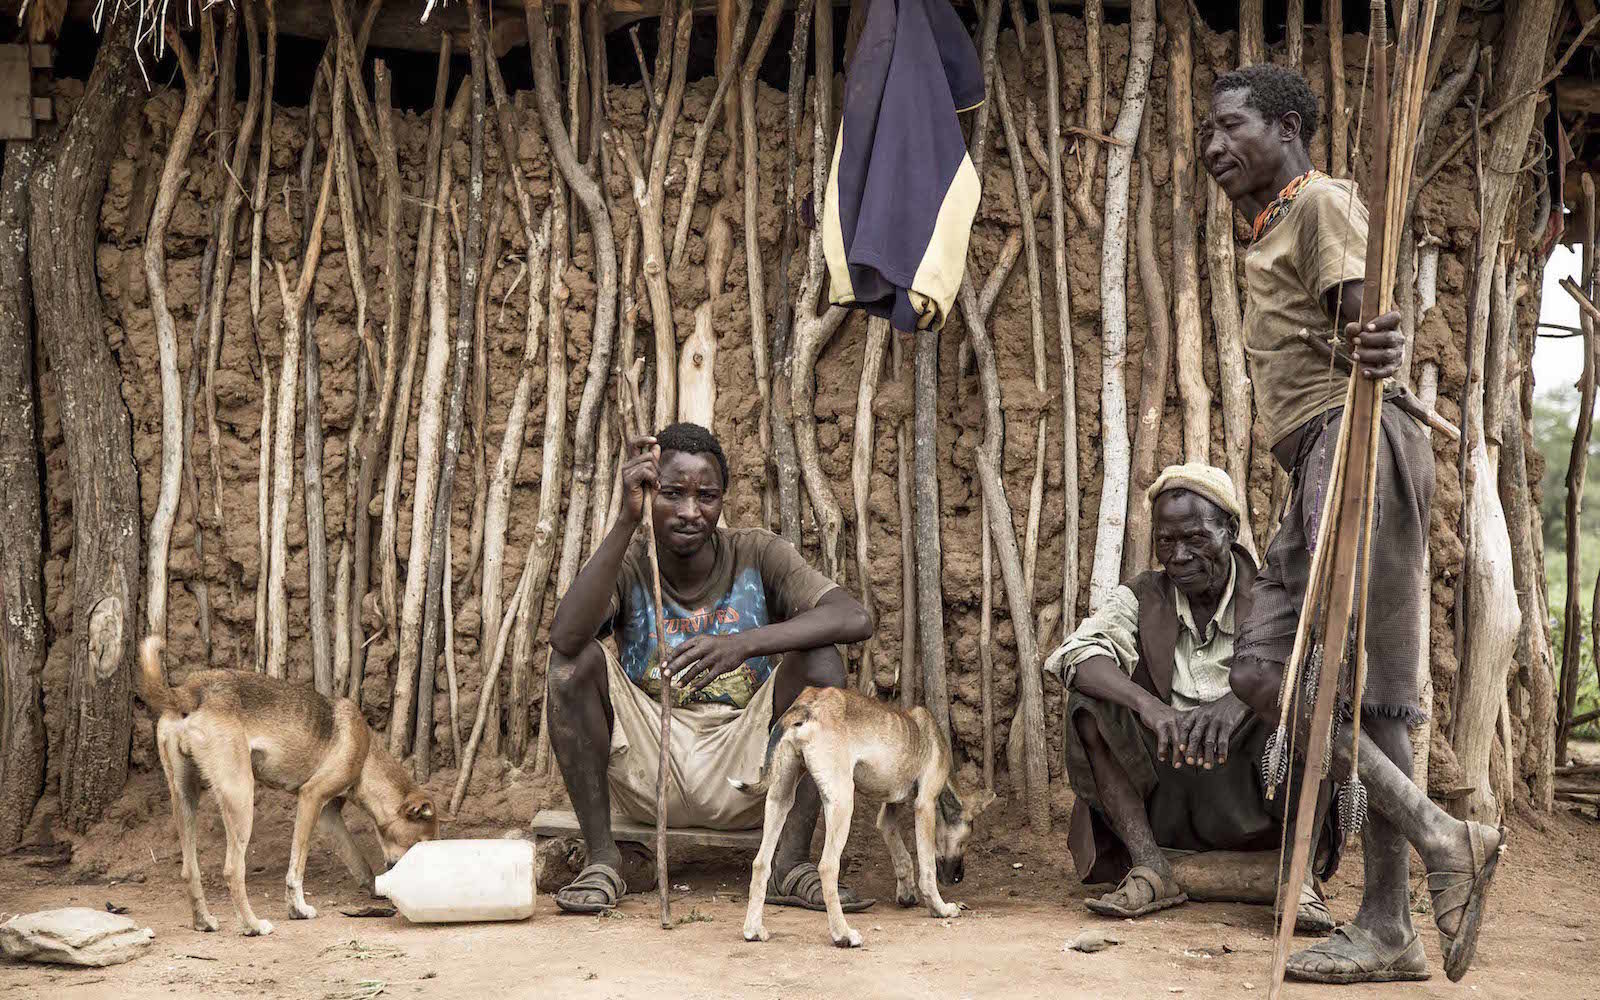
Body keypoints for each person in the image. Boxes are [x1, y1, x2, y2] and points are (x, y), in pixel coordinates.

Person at [1200, 64, 1504, 984]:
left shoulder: (1321, 201)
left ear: (1289, 127)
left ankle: (1403, 900)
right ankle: (1425, 868)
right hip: (1324, 456)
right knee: (1289, 680)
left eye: (1232, 126)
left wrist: (1389, 334)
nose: (1214, 146)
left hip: (1357, 441)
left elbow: (1370, 320)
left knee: (1333, 687)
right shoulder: (1268, 223)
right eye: (1208, 131)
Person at [543, 421, 876, 915]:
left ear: (724, 499)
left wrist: (740, 645)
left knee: (821, 664)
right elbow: (565, 638)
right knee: (570, 667)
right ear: (649, 491)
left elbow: (854, 616)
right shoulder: (632, 562)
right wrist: (624, 523)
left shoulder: (756, 553)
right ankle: (603, 860)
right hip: (649, 767)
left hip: (753, 769)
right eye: (672, 493)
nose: (689, 512)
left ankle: (788, 863)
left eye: (707, 497)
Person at [1045, 464, 1334, 932]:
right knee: (1091, 702)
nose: (1178, 556)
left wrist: (1245, 699)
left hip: (1254, 797)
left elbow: (1319, 665)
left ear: (1230, 532)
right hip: (1169, 792)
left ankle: (1295, 876)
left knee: (1311, 696)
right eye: (1165, 542)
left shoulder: (1271, 596)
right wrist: (1151, 707)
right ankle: (1150, 867)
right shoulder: (1144, 595)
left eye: (1197, 539)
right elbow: (1075, 654)